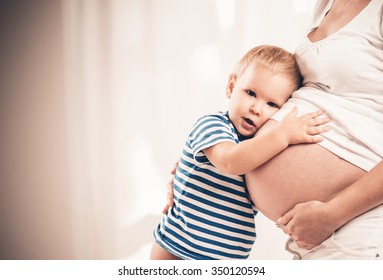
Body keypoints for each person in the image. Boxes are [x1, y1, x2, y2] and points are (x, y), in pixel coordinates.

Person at [164, 0, 383, 260]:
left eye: (271, 105)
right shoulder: (325, 5)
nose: (259, 108)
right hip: (310, 234)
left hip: (354, 222)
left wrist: (334, 213)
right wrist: (201, 165)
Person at [150, 45, 330, 260]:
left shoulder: (262, 145)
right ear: (231, 85)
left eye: (272, 104)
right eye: (251, 93)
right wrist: (283, 135)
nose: (256, 108)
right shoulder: (212, 125)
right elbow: (230, 161)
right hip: (176, 249)